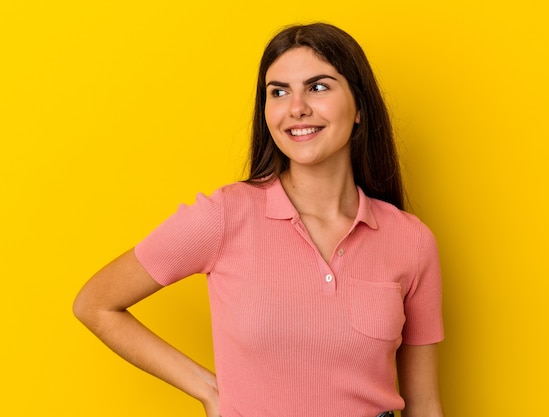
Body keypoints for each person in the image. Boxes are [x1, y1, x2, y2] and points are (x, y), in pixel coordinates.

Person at [73, 22, 445, 417]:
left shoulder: (411, 240)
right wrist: (210, 391)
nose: (296, 107)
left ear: (359, 108)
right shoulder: (224, 216)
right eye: (279, 92)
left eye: (318, 87)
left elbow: (424, 404)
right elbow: (95, 304)